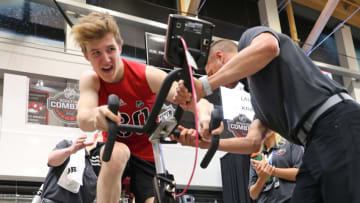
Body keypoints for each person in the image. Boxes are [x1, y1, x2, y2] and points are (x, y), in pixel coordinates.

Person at [173, 26, 360, 203]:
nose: (216, 81)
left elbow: (269, 48)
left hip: (337, 121)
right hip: (313, 142)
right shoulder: (258, 99)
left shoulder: (249, 39)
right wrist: (207, 144)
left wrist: (206, 84)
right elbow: (252, 143)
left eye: (211, 72)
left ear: (220, 56)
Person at [72, 12, 191, 203]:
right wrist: (96, 116)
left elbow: (187, 97)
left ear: (120, 47)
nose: (106, 59)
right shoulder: (90, 79)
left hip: (146, 155)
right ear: (86, 55)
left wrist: (204, 114)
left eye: (110, 49)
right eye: (96, 53)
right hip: (113, 149)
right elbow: (83, 118)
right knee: (119, 154)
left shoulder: (146, 75)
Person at [41, 134, 104, 203]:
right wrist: (70, 150)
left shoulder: (102, 168)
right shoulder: (70, 145)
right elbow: (51, 161)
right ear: (96, 137)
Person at [249, 131, 303, 203]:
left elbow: (301, 173)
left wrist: (272, 170)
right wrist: (261, 179)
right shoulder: (256, 156)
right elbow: (253, 194)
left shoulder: (290, 142)